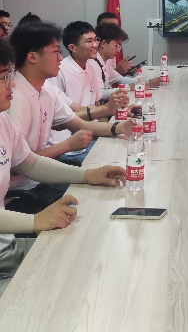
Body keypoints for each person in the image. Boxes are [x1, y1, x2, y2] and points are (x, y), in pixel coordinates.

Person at [0, 38, 125, 297]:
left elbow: (30, 162)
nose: (11, 84)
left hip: (8, 248)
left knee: (92, 256)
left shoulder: (2, 120)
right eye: (3, 77)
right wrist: (35, 221)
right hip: (9, 246)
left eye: (9, 75)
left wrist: (86, 175)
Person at [6, 22, 135, 202]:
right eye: (56, 52)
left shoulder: (45, 90)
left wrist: (119, 128)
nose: (60, 58)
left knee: (108, 179)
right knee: (101, 197)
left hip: (42, 175)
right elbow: (18, 165)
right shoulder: (14, 98)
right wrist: (67, 146)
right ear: (32, 57)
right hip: (23, 190)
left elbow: (77, 123)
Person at [49, 21, 129, 164]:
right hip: (68, 142)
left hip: (89, 131)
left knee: (126, 146)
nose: (95, 45)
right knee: (117, 158)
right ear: (72, 47)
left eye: (95, 40)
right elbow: (66, 116)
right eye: (89, 41)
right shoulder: (60, 70)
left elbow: (96, 103)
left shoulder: (91, 66)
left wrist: (112, 114)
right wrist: (108, 115)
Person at [96, 12, 134, 76]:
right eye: (108, 26)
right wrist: (118, 70)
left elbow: (114, 77)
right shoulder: (93, 60)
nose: (112, 29)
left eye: (115, 26)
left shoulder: (110, 51)